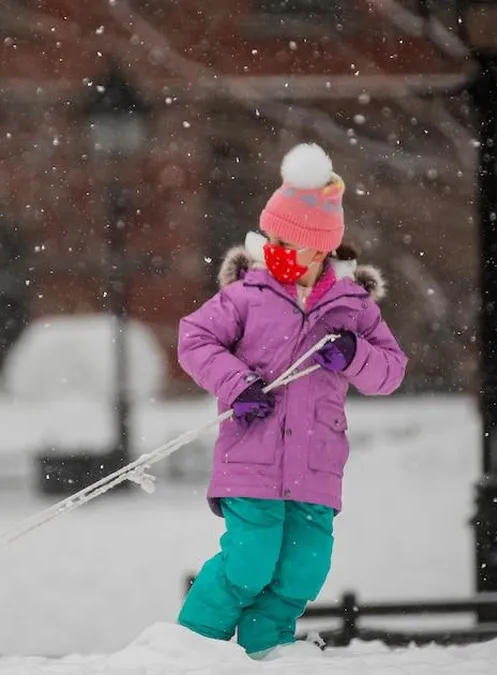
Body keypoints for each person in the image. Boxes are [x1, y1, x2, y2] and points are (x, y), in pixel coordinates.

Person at [175, 143, 407, 659]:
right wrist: (237, 384)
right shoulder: (247, 295)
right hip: (251, 458)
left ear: (318, 249)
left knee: (303, 569)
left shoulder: (352, 305)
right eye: (271, 236)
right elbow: (194, 340)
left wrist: (352, 354)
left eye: (286, 240)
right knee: (249, 563)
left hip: (316, 466)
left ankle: (267, 652)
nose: (272, 246)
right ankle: (190, 650)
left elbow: (391, 371)